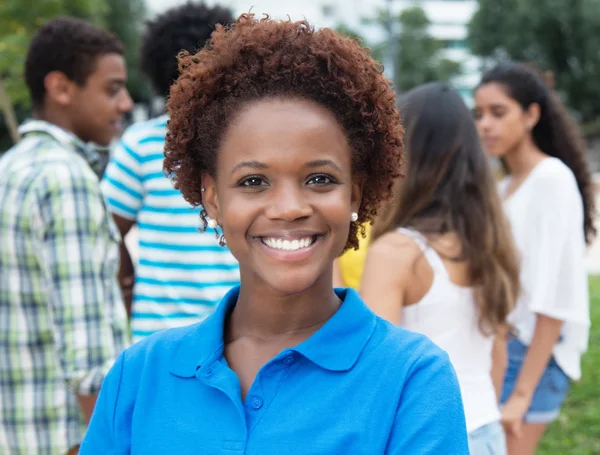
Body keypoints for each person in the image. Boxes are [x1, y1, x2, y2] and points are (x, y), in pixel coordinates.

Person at [79, 15, 469, 454]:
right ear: (211, 199)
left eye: (320, 179)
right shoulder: (139, 374)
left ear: (355, 193)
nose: (289, 208)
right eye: (253, 182)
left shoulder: (412, 379)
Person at [360, 82, 520, 455]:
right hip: (486, 430)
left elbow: (376, 374)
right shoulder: (490, 242)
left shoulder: (397, 252)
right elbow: (497, 358)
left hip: (424, 436)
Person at [0, 17, 132, 454]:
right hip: (65, 437)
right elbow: (87, 356)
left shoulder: (12, 167)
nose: (126, 103)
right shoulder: (65, 179)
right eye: (111, 89)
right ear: (61, 88)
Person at [474, 61, 595, 455]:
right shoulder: (506, 184)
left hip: (531, 353)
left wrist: (523, 392)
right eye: (479, 114)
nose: (485, 125)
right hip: (499, 347)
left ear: (531, 115)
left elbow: (556, 296)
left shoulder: (552, 180)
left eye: (498, 112)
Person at [101, 2, 239, 342]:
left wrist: (127, 277)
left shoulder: (141, 143)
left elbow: (106, 229)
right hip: (234, 331)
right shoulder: (246, 143)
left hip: (161, 330)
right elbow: (105, 227)